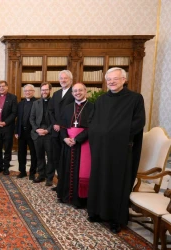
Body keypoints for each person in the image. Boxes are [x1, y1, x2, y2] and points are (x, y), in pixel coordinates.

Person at [87, 67, 145, 234]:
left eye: (115, 79)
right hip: (101, 148)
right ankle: (97, 212)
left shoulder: (135, 99)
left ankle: (115, 219)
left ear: (124, 80)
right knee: (99, 178)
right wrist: (98, 134)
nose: (111, 82)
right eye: (109, 79)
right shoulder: (101, 100)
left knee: (116, 183)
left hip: (120, 150)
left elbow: (138, 123)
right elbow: (92, 120)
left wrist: (115, 135)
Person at [56, 83, 94, 208]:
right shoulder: (67, 108)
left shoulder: (92, 107)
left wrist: (77, 139)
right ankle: (65, 196)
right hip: (68, 144)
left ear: (85, 91)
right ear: (72, 93)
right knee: (65, 169)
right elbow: (61, 126)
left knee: (80, 170)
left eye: (80, 90)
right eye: (75, 91)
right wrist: (65, 138)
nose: (77, 93)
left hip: (83, 144)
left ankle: (79, 200)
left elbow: (92, 127)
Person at [49, 70, 74, 190]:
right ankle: (60, 183)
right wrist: (55, 124)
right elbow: (51, 111)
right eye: (61, 78)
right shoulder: (56, 94)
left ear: (70, 80)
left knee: (68, 159)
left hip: (68, 131)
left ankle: (68, 185)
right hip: (55, 131)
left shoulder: (74, 92)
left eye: (65, 78)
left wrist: (60, 124)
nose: (63, 80)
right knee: (57, 158)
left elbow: (74, 112)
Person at [0, 80, 18, 175]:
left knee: (7, 148)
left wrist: (5, 122)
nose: (1, 88)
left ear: (7, 87)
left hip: (8, 127)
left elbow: (14, 112)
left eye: (3, 86)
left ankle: (6, 167)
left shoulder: (13, 98)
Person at [30, 82, 53, 186]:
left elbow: (56, 120)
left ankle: (49, 177)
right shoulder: (36, 103)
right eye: (42, 90)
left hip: (49, 134)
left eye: (46, 90)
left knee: (50, 157)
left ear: (50, 90)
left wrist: (47, 130)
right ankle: (41, 175)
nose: (44, 92)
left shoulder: (54, 103)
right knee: (39, 156)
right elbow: (32, 118)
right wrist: (37, 129)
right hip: (37, 133)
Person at [15, 84, 38, 180]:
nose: (27, 92)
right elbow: (18, 119)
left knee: (34, 153)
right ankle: (22, 171)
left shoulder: (37, 103)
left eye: (29, 91)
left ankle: (32, 172)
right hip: (21, 132)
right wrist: (16, 131)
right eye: (26, 91)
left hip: (32, 132)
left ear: (33, 92)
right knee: (21, 153)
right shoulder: (20, 103)